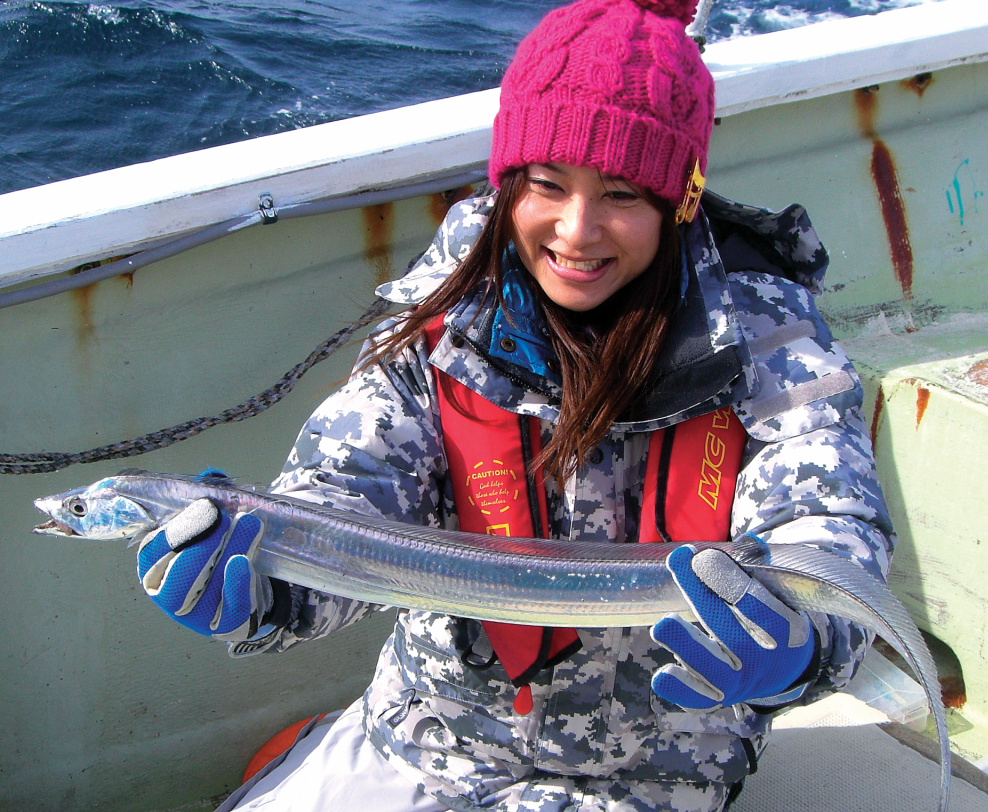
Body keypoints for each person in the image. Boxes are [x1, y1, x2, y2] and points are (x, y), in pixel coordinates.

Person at [135, 0, 895, 810]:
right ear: (509, 184)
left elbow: (828, 517)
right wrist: (271, 579)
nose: (578, 230)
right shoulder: (449, 308)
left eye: (622, 193)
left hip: (650, 772)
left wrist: (806, 640)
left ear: (677, 201)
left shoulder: (764, 332)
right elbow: (349, 490)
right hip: (423, 735)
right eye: (547, 185)